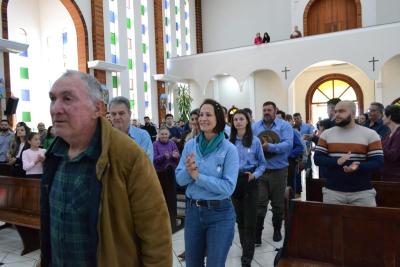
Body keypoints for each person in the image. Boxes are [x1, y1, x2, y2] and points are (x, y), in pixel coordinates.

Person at [40, 70, 171, 266]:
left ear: (97, 109)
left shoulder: (128, 156)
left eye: (67, 99)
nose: (55, 108)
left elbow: (156, 237)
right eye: (53, 99)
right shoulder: (54, 154)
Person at [176, 98, 239, 266]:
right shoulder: (190, 145)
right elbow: (179, 179)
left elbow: (227, 187)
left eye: (208, 114)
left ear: (218, 118)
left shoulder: (229, 149)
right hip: (193, 212)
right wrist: (189, 173)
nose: (203, 118)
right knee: (192, 263)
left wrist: (198, 176)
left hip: (220, 213)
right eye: (201, 114)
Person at [314, 101, 383, 206]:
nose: (336, 114)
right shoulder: (326, 134)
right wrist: (336, 161)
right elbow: (317, 159)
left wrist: (358, 166)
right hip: (333, 191)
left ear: (353, 113)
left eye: (341, 111)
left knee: (365, 222)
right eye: (335, 111)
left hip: (362, 191)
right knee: (333, 222)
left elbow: (378, 162)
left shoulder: (370, 134)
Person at [252, 101, 293, 244]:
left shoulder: (285, 126)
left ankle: (276, 230)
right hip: (261, 171)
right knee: (260, 203)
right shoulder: (255, 126)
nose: (266, 112)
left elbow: (288, 145)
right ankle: (257, 233)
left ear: (276, 111)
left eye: (269, 110)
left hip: (279, 171)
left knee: (278, 204)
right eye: (264, 110)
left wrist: (270, 147)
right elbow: (249, 143)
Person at [229, 110, 266, 267]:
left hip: (250, 180)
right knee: (240, 220)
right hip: (235, 181)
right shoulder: (229, 142)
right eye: (235, 119)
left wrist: (255, 175)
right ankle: (246, 248)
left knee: (250, 221)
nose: (238, 122)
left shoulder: (255, 141)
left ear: (247, 121)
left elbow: (263, 163)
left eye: (241, 119)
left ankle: (247, 259)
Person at [109, 96, 153, 161]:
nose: (117, 117)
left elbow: (146, 165)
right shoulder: (105, 136)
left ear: (129, 114)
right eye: (113, 114)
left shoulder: (142, 136)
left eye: (121, 113)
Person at [153, 127, 180, 230]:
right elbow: (154, 159)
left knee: (172, 198)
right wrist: (164, 156)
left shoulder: (172, 143)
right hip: (160, 174)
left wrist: (176, 156)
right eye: (162, 134)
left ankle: (173, 222)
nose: (164, 136)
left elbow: (178, 156)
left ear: (168, 135)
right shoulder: (155, 145)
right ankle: (162, 223)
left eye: (166, 134)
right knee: (162, 198)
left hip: (171, 173)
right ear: (159, 135)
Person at [381, 105, 400, 181]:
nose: (382, 118)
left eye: (384, 116)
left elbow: (393, 156)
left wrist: (379, 145)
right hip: (388, 175)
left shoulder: (399, 134)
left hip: (396, 177)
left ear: (389, 117)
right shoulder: (389, 133)